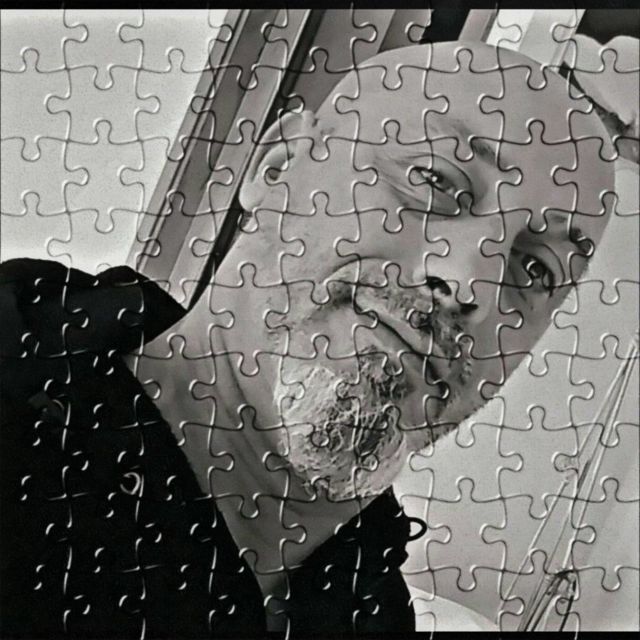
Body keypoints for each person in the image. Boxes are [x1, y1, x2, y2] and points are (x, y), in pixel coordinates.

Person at [0, 41, 615, 637]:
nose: (467, 283)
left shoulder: (372, 611)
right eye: (432, 179)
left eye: (537, 269)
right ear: (277, 167)